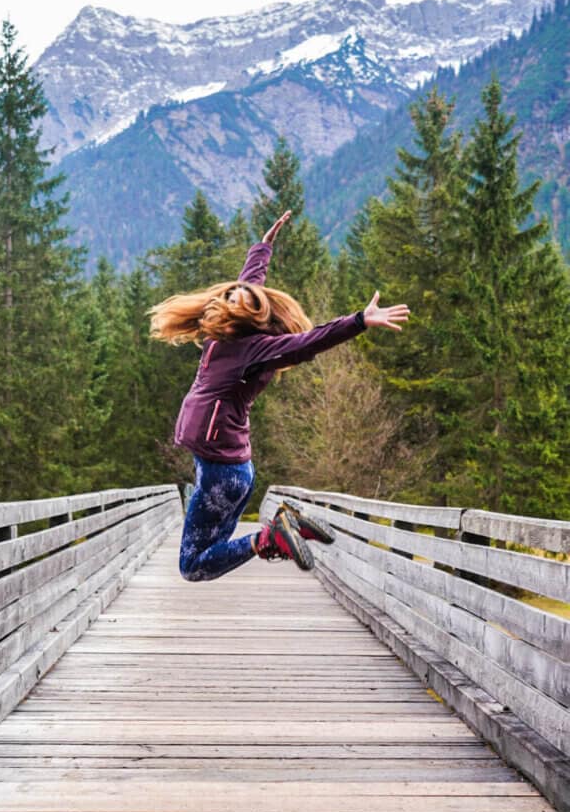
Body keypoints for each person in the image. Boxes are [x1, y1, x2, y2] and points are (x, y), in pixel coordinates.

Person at [148, 210, 410, 581]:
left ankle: (270, 536)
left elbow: (307, 343)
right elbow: (249, 283)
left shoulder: (256, 349)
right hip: (226, 468)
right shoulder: (227, 335)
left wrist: (358, 322)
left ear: (249, 315)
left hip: (223, 473)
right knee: (213, 553)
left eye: (234, 299)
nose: (226, 298)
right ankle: (285, 530)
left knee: (193, 566)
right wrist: (262, 247)